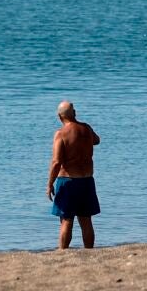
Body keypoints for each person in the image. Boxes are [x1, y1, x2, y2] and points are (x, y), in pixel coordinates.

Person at [46, 100, 101, 249]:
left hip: (68, 181)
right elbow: (97, 140)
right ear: (74, 113)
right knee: (86, 221)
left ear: (59, 116)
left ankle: (63, 252)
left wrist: (50, 184)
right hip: (87, 181)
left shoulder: (61, 134)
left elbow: (56, 162)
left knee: (66, 220)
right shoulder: (86, 128)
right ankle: (89, 251)